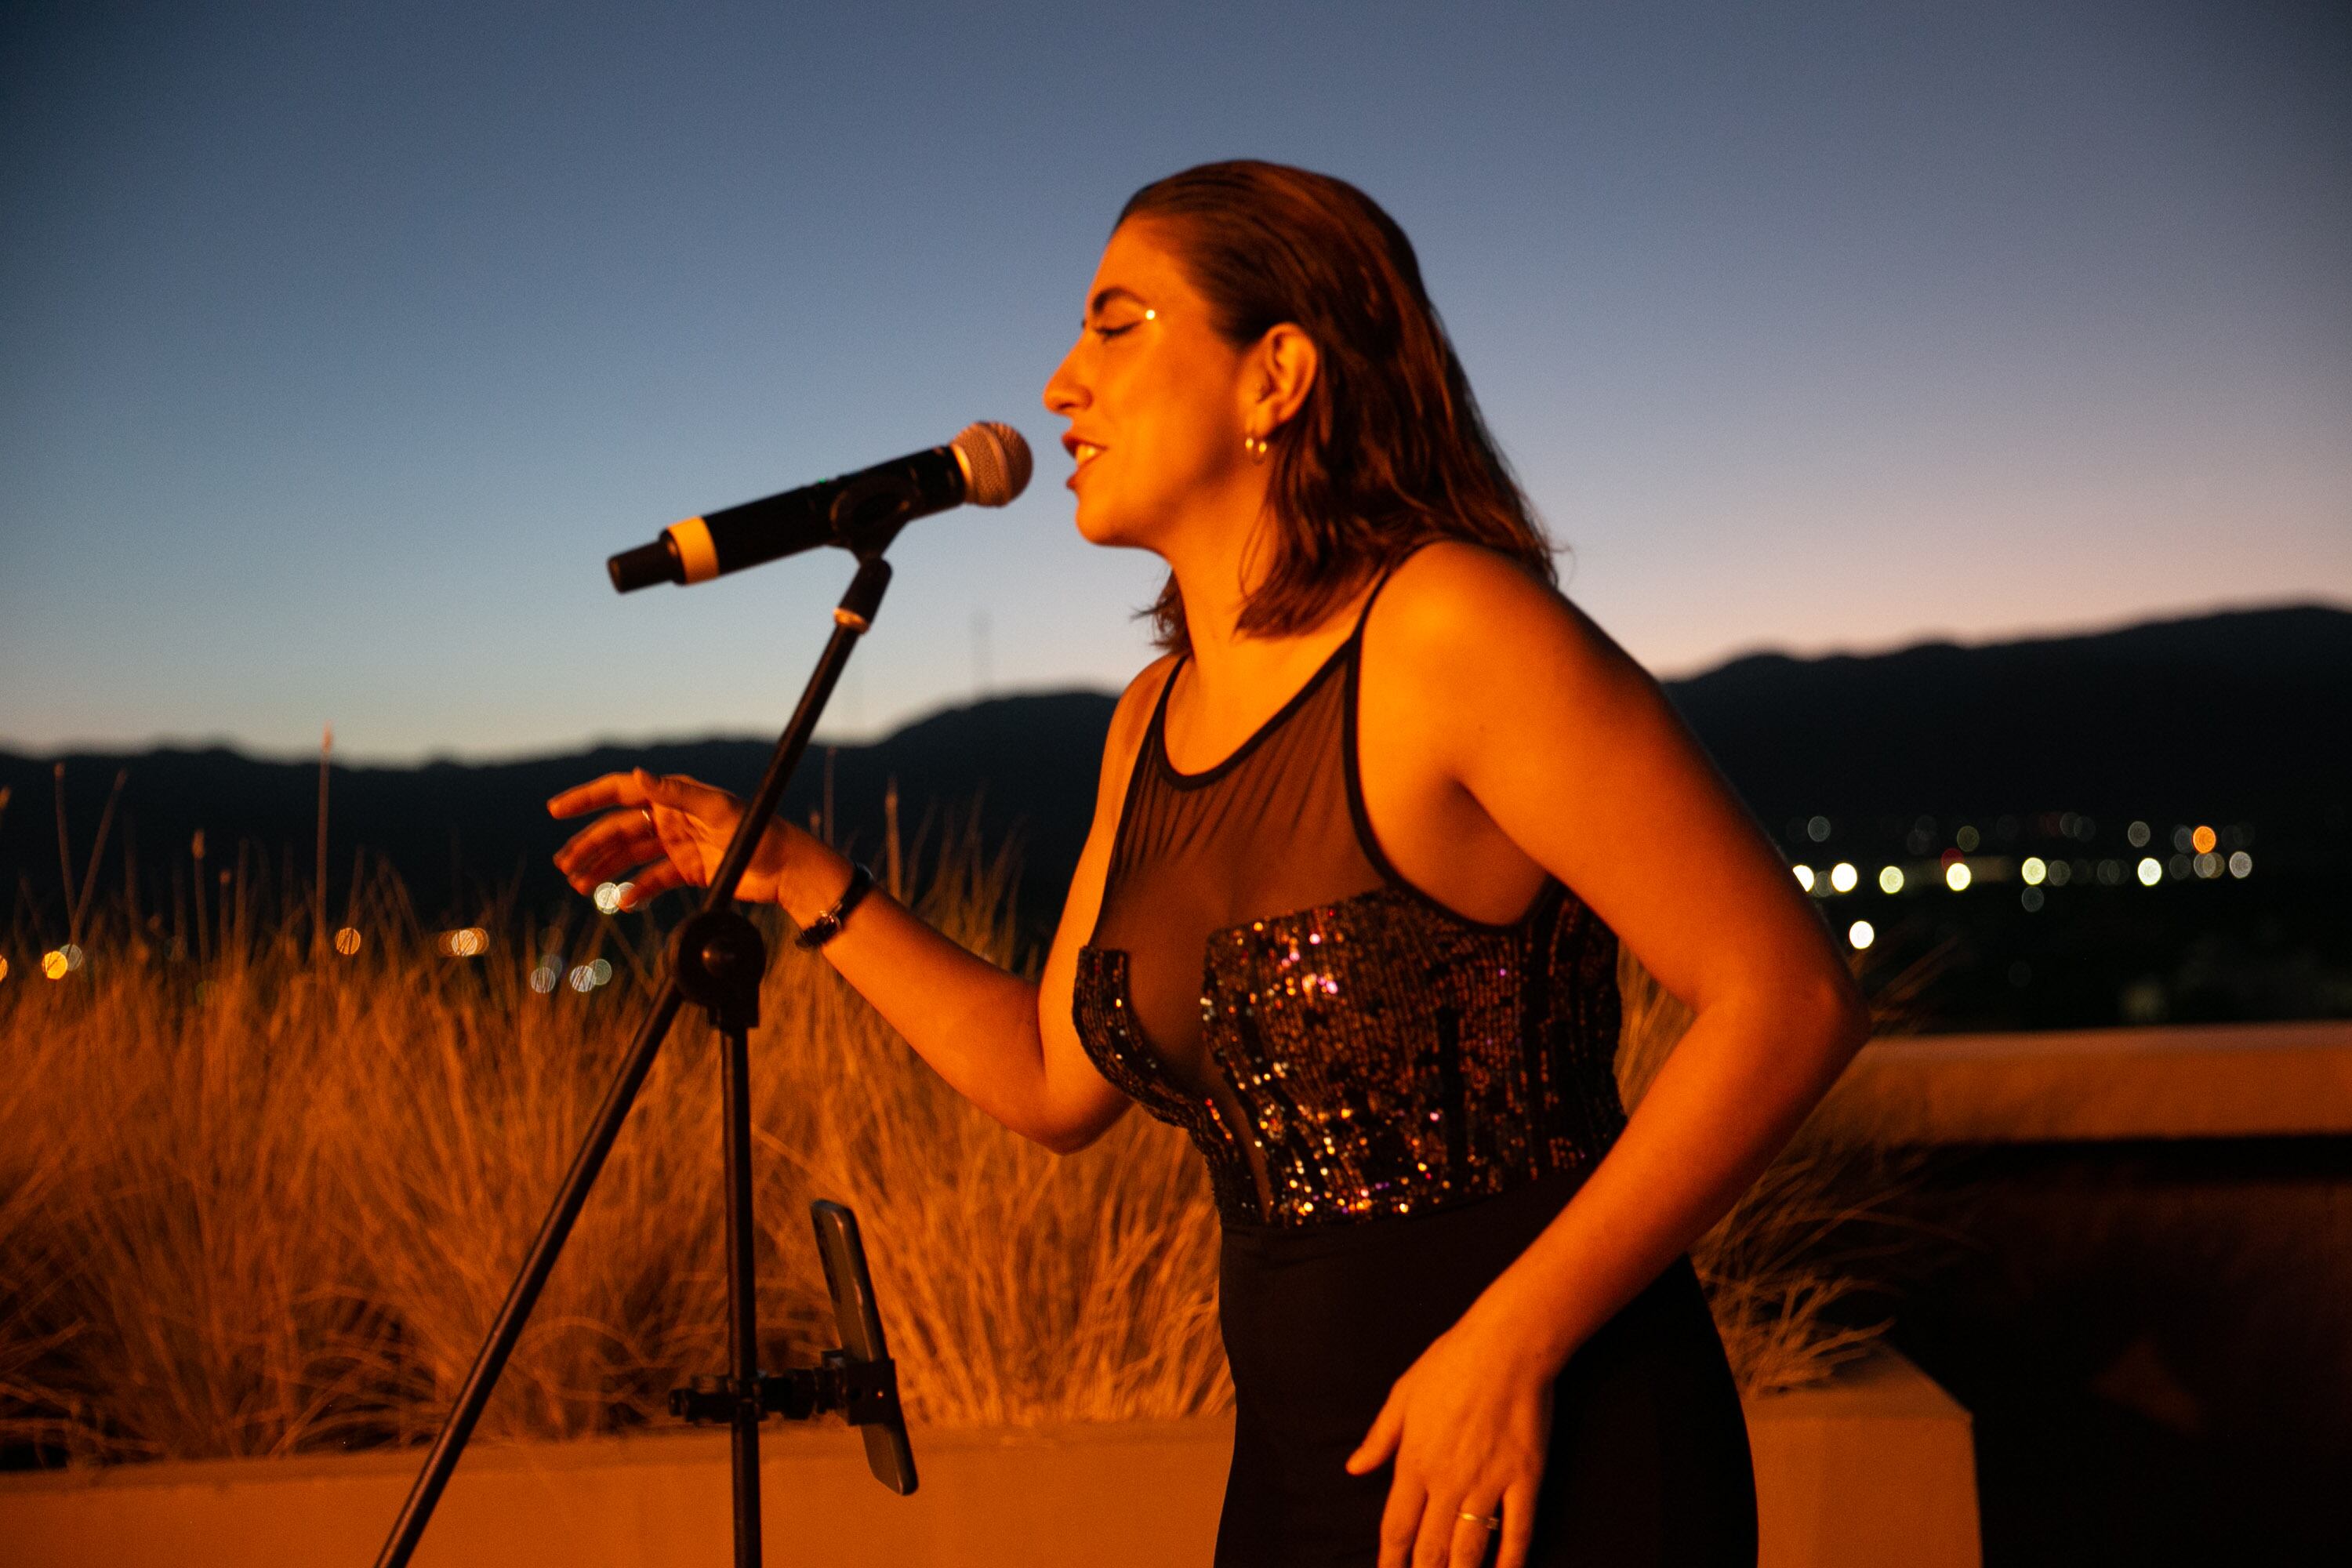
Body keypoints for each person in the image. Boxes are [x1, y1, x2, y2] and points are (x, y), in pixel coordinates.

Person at [550, 160, 1867, 1568]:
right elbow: (1052, 1083)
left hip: (1538, 1450)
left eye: (1115, 327)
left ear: (1276, 374)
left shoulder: (1449, 631)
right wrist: (802, 879)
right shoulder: (1148, 723)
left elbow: (1786, 1000)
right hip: (1302, 1471)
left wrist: (1511, 1343)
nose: (1059, 386)